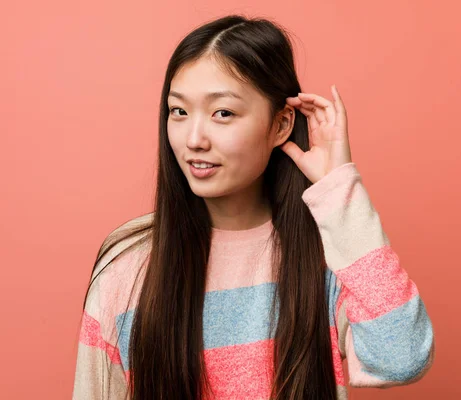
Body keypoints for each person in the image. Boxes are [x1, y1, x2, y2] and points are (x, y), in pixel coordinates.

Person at [72, 14, 435, 400]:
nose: (193, 138)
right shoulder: (129, 263)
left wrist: (338, 188)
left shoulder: (328, 254)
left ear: (280, 125)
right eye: (178, 111)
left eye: (222, 113)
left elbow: (402, 357)